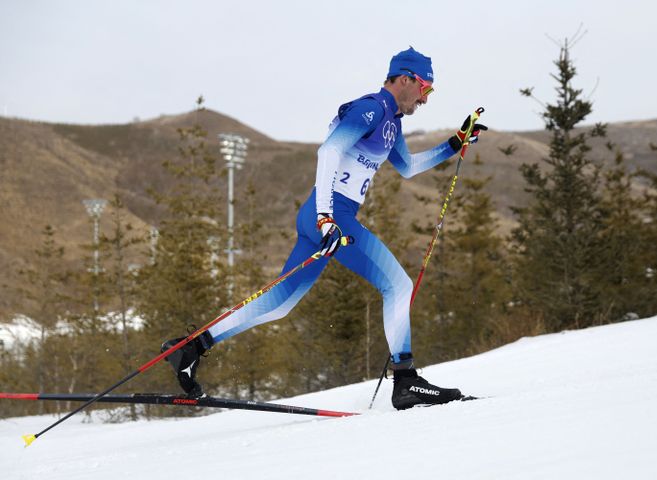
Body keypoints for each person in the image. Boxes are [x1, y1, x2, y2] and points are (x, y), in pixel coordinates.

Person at [162, 47, 486, 410]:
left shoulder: (393, 122)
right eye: (425, 87)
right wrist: (326, 217)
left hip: (324, 216)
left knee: (281, 303)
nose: (425, 98)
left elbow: (408, 167)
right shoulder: (373, 108)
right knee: (397, 284)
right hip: (332, 216)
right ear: (405, 78)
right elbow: (328, 152)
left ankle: (192, 347)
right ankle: (406, 381)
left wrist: (454, 144)